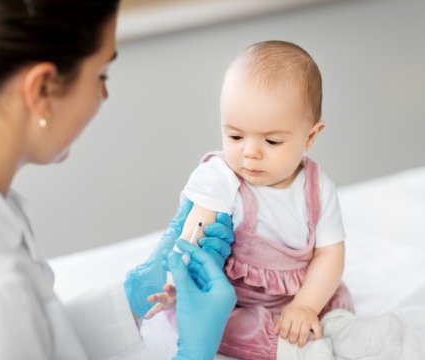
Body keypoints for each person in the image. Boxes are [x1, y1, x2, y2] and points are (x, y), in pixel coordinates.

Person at [0, 0, 237, 359]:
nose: (104, 95)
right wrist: (194, 352)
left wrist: (131, 295)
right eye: (101, 75)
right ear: (41, 89)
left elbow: (33, 336)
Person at [144, 41, 355, 359]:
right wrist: (178, 281)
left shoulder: (318, 187)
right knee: (228, 328)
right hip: (235, 300)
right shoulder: (221, 178)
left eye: (272, 140)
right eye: (235, 136)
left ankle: (326, 329)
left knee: (336, 300)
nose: (250, 152)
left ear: (310, 136)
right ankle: (293, 346)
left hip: (300, 295)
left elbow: (329, 255)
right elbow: (193, 234)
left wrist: (306, 305)